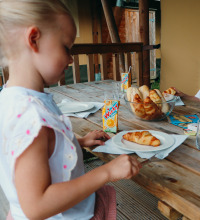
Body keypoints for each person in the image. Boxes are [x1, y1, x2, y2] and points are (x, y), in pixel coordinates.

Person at [0, 1, 141, 219]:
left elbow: (43, 149)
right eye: (66, 47)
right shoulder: (31, 117)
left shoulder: (12, 97)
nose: (71, 58)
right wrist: (107, 171)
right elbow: (37, 205)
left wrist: (79, 142)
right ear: (34, 39)